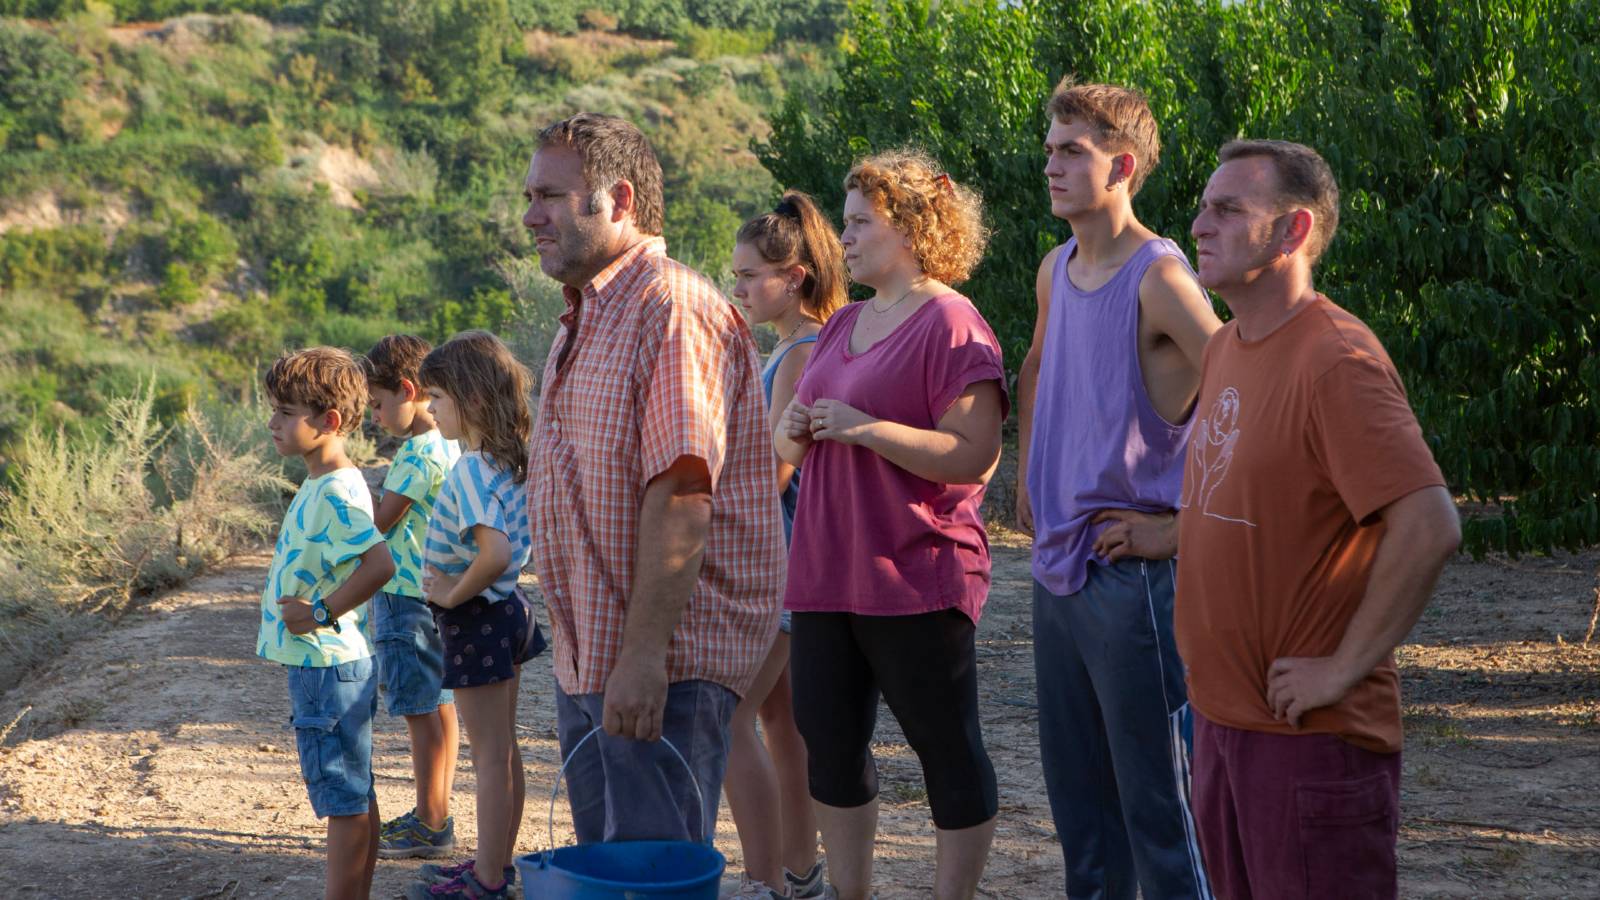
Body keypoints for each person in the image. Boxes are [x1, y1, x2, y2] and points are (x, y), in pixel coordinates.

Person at [1178, 140, 1459, 899]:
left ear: (1293, 231)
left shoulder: (1336, 360)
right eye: (1205, 204)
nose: (1200, 223)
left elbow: (1430, 524)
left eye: (1229, 209)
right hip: (1222, 726)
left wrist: (1343, 667)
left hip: (1308, 746)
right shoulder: (1226, 347)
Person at [522, 113, 785, 847]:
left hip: (659, 664)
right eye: (530, 196)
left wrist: (641, 659)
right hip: (592, 661)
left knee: (652, 873)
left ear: (621, 199)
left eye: (549, 195)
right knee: (613, 877)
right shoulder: (585, 316)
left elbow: (682, 494)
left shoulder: (672, 309)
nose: (529, 215)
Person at [775, 150, 1006, 900]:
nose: (842, 237)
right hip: (823, 575)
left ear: (908, 225)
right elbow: (785, 442)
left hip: (915, 575)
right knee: (829, 748)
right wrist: (800, 430)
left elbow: (975, 454)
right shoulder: (841, 325)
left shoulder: (951, 319)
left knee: (946, 749)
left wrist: (867, 428)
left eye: (858, 222)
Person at [1013, 80, 1219, 900]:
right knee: (1084, 821)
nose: (1051, 166)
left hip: (1133, 579)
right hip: (1058, 570)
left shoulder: (1159, 277)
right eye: (1050, 149)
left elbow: (1250, 397)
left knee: (1161, 816)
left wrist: (1180, 529)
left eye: (1072, 152)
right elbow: (1033, 366)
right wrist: (1031, 472)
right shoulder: (1053, 266)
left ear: (1122, 165)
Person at [723, 190, 848, 899]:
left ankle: (762, 879)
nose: (737, 290)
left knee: (730, 716)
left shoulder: (803, 350)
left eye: (749, 277)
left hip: (779, 563)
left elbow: (774, 470)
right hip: (794, 561)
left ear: (794, 274)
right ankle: (800, 875)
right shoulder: (799, 344)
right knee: (782, 722)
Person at [404, 331, 545, 900]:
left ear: (473, 399)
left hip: (478, 616)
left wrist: (450, 595)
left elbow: (496, 553)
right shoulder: (509, 458)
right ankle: (497, 866)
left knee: (489, 757)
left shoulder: (470, 469)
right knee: (504, 750)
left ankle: (487, 881)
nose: (430, 409)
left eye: (436, 397)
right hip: (507, 612)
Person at [258, 347, 396, 900]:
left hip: (326, 666)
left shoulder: (337, 490)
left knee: (342, 799)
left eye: (285, 412)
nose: (273, 423)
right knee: (355, 793)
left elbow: (380, 564)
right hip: (331, 666)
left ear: (328, 422)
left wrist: (319, 613)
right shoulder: (326, 481)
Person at [360, 334, 462, 861]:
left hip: (404, 597)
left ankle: (429, 821)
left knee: (421, 712)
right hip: (436, 592)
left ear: (407, 389)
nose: (375, 417)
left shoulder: (418, 453)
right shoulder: (450, 440)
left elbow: (379, 525)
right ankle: (435, 814)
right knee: (440, 708)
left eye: (378, 404)